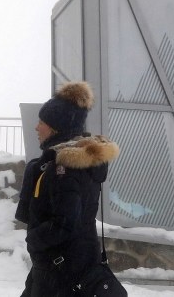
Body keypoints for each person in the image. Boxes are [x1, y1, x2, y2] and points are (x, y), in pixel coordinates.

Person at [15, 81, 120, 297]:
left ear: (56, 128)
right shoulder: (71, 164)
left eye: (42, 122)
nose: (37, 127)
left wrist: (34, 239)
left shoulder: (65, 170)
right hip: (68, 264)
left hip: (60, 271)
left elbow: (65, 223)